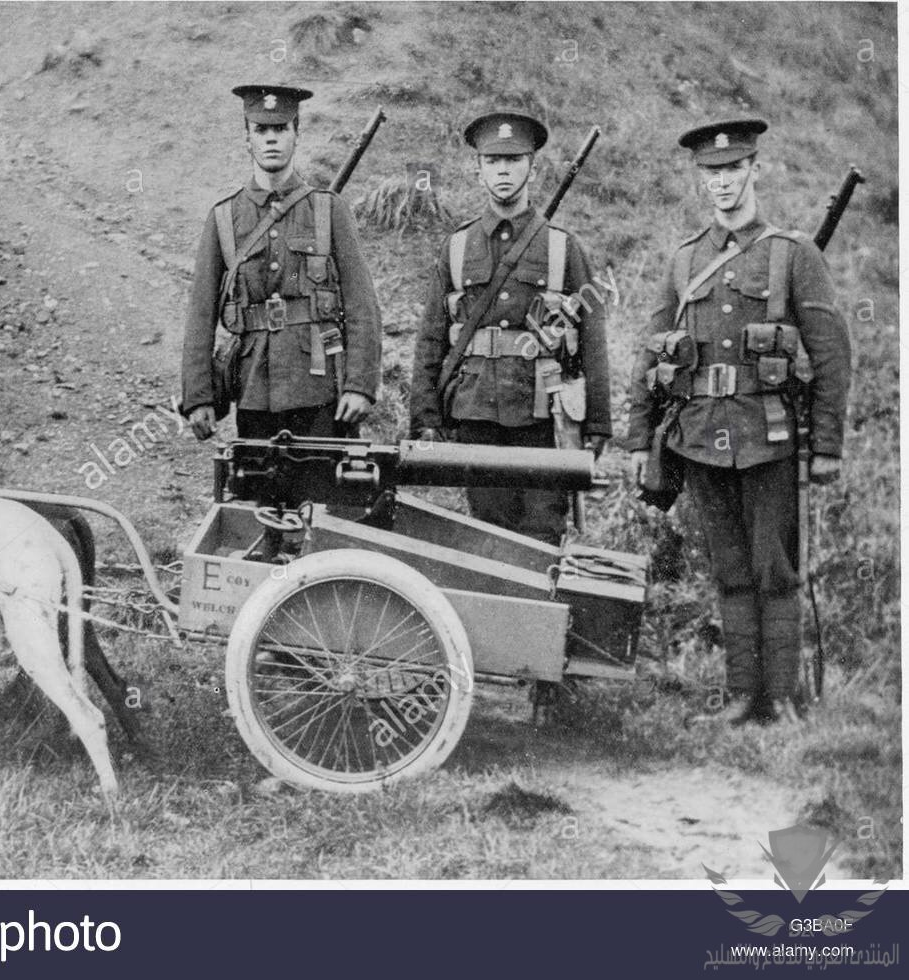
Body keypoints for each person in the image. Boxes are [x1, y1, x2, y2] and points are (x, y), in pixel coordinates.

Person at [623, 119, 852, 725]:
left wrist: (826, 445)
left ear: (756, 170)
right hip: (698, 436)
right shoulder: (684, 260)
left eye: (733, 170)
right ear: (701, 180)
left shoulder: (791, 254)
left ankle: (781, 698)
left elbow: (831, 352)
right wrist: (637, 435)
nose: (722, 183)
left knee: (775, 569)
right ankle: (742, 696)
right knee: (728, 569)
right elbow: (653, 348)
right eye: (711, 173)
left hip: (768, 435)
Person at [409, 111, 611, 545]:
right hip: (475, 409)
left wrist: (597, 423)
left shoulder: (562, 247)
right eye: (492, 161)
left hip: (543, 415)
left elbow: (593, 337)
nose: (503, 170)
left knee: (542, 534)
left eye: (514, 160)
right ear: (477, 168)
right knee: (486, 532)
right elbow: (431, 335)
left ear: (533, 167)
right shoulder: (457, 246)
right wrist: (425, 415)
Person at [180, 84, 381, 440]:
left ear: (296, 136)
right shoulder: (225, 218)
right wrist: (198, 397)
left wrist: (360, 385)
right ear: (247, 139)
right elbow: (200, 314)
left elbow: (362, 305)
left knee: (324, 493)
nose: (271, 139)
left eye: (281, 129)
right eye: (261, 130)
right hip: (253, 391)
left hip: (321, 393)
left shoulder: (328, 209)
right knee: (253, 494)